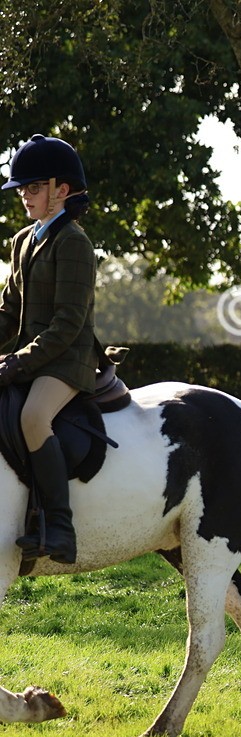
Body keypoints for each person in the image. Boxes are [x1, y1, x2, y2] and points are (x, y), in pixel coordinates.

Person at [0, 134, 99, 564]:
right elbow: (8, 312)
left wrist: (16, 363)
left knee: (33, 416)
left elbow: (67, 325)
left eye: (35, 187)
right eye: (23, 188)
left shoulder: (74, 242)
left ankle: (60, 527)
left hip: (67, 359)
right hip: (34, 356)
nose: (25, 195)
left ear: (62, 190)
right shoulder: (23, 240)